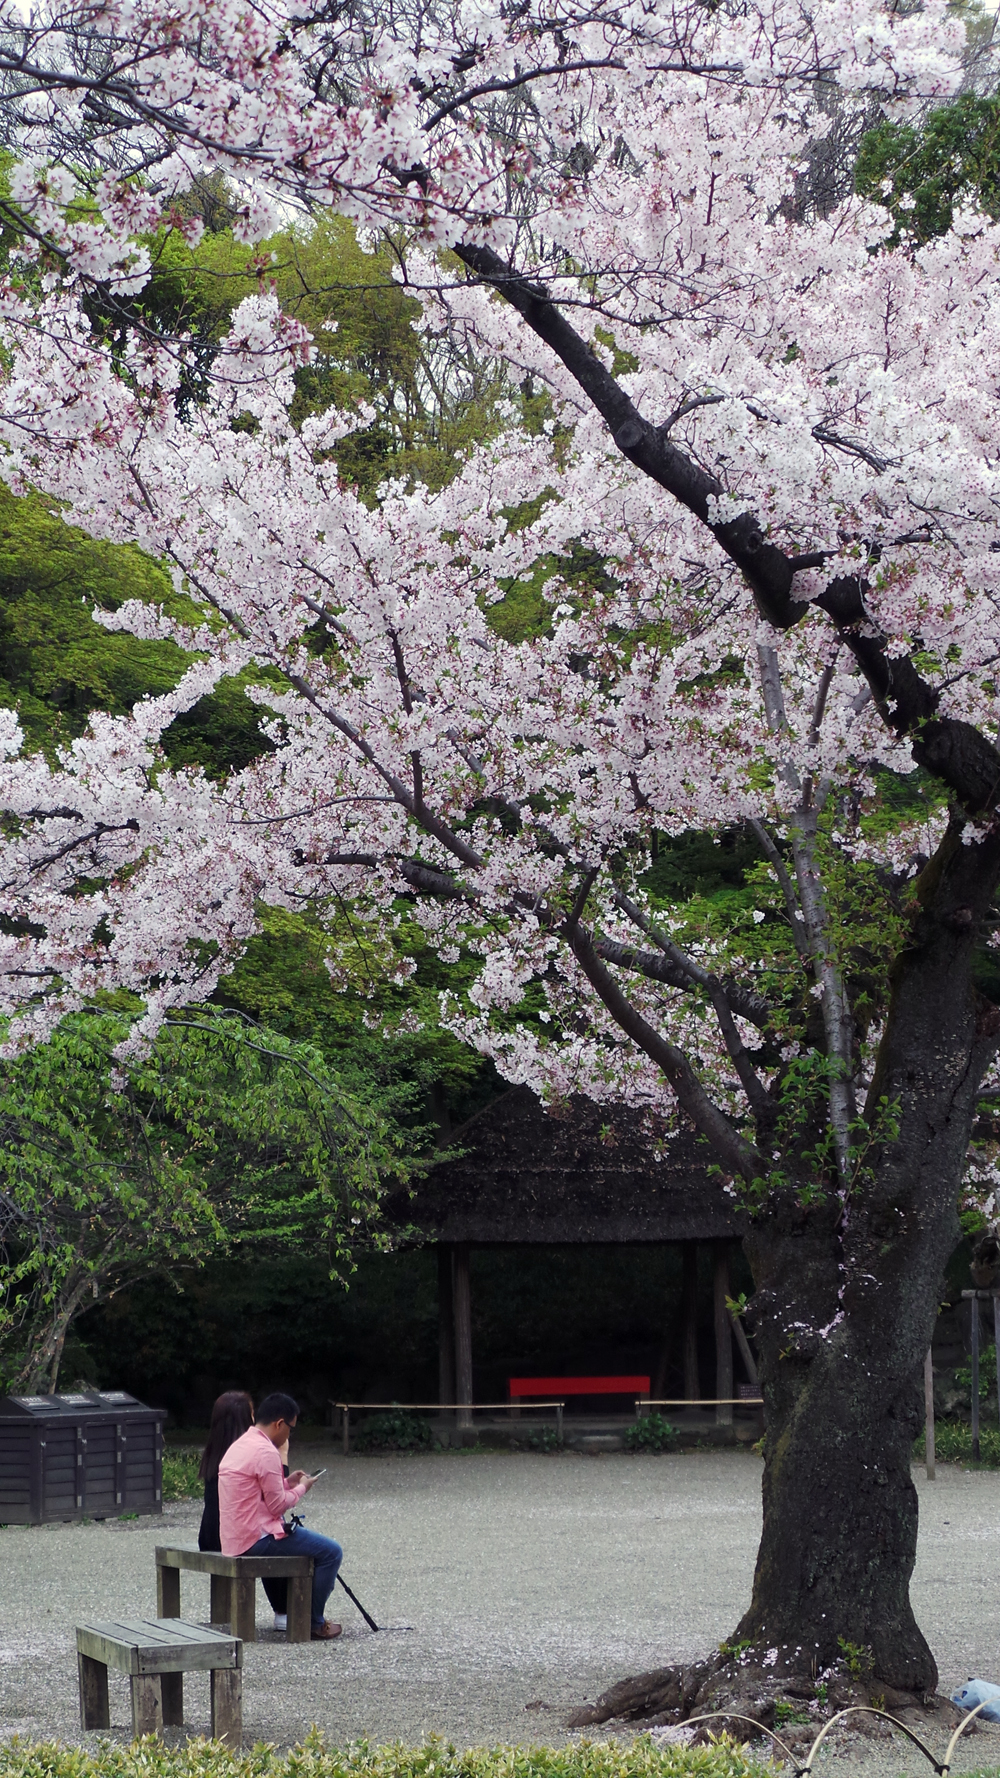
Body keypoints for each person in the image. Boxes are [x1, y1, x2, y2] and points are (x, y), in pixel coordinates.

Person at [218, 1389, 343, 1641]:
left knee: (317, 1546)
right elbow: (277, 1507)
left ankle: (305, 1615)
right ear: (279, 1424)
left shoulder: (239, 1445)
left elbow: (258, 1494)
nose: (289, 1435)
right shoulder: (266, 1452)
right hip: (256, 1539)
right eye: (291, 1429)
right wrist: (302, 1488)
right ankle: (311, 1621)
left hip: (234, 1538)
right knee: (331, 1552)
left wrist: (286, 1482)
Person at [198, 1389, 289, 1631]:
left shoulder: (214, 1452)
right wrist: (283, 1457)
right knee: (272, 1533)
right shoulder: (249, 1452)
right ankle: (284, 1610)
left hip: (208, 1534)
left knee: (265, 1532)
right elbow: (274, 1500)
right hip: (232, 1536)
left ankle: (283, 1610)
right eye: (251, 1413)